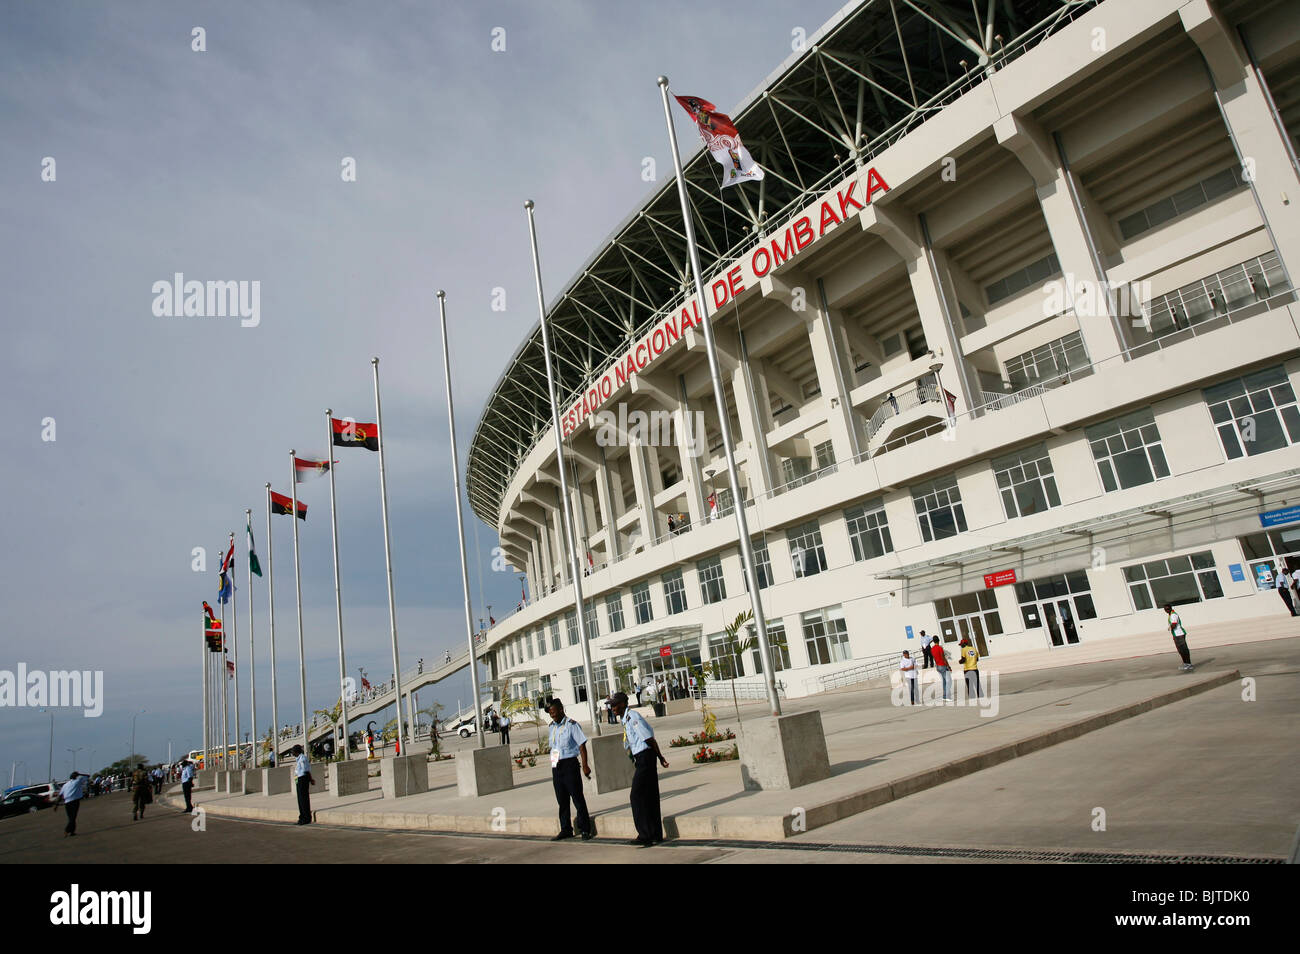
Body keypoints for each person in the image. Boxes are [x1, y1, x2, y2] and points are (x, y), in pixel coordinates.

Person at [611, 691, 668, 847]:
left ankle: (645, 834)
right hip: (641, 757)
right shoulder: (625, 719)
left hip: (646, 756)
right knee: (650, 796)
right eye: (611, 705)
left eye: (615, 705)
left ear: (623, 704)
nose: (612, 708)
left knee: (636, 796)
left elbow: (648, 738)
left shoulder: (633, 717)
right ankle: (655, 833)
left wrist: (660, 757)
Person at [545, 698, 593, 841]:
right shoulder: (551, 727)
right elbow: (553, 748)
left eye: (553, 712)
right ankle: (566, 829)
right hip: (557, 766)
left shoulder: (572, 725)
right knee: (562, 800)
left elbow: (582, 746)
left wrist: (584, 765)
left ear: (561, 709)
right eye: (550, 713)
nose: (552, 715)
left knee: (577, 798)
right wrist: (554, 766)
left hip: (570, 765)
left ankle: (585, 829)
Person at [56, 772, 88, 836]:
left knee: (71, 818)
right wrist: (80, 774)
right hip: (74, 802)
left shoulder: (65, 785)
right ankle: (67, 830)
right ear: (76, 776)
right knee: (73, 817)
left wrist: (56, 805)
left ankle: (72, 832)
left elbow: (60, 795)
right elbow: (88, 776)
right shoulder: (78, 781)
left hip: (67, 803)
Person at [1163, 604, 1194, 671]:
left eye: (1168, 609)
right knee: (1180, 650)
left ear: (1171, 608)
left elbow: (1174, 624)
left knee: (1184, 650)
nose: (1166, 610)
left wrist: (1170, 628)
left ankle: (1189, 664)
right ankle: (1185, 663)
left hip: (1179, 634)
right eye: (1165, 609)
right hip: (1176, 635)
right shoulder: (1171, 615)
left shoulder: (1173, 615)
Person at [292, 744, 314, 825]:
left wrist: (311, 780)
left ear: (296, 751)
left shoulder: (302, 758)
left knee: (304, 799)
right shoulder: (298, 759)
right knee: (300, 800)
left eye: (293, 751)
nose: (292, 753)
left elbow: (306, 770)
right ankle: (301, 817)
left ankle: (306, 818)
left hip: (303, 779)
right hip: (299, 779)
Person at [931, 636, 952, 701]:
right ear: (939, 640)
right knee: (949, 681)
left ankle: (944, 696)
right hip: (942, 665)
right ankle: (947, 696)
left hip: (937, 666)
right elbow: (943, 658)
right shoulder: (940, 648)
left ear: (933, 641)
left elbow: (934, 658)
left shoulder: (932, 649)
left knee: (944, 681)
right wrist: (948, 666)